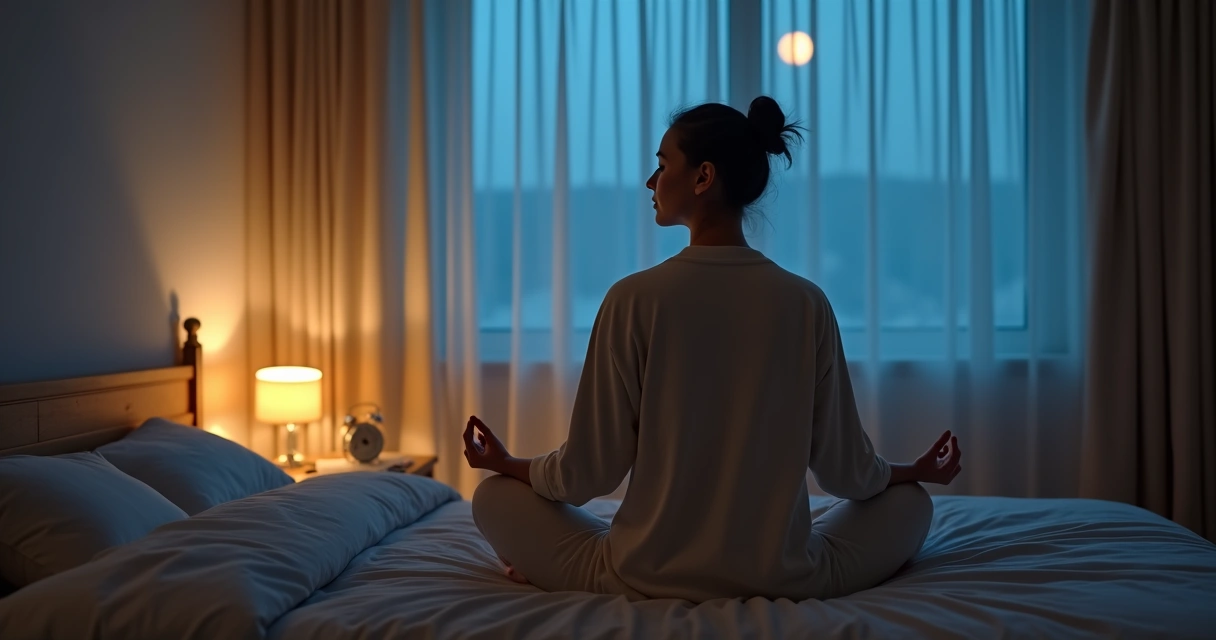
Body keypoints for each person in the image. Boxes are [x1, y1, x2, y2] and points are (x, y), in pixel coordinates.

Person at [463, 96, 963, 603]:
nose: (650, 182)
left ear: (703, 178)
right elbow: (846, 473)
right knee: (913, 503)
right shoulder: (805, 303)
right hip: (785, 575)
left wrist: (507, 465)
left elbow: (587, 474)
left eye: (662, 166)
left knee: (493, 498)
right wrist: (911, 473)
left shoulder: (633, 299)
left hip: (640, 574)